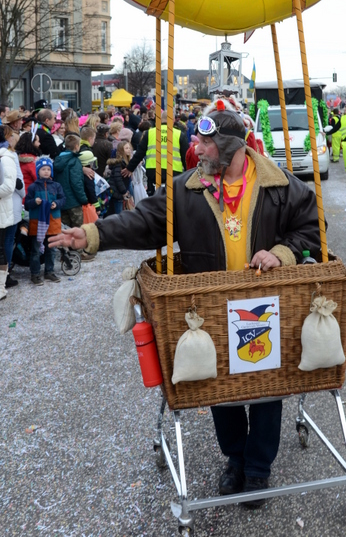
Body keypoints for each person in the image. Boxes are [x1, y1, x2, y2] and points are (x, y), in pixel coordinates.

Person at [50, 104, 321, 506]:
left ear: (230, 145)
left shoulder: (280, 185)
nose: (198, 147)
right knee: (215, 384)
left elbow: (313, 229)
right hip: (208, 304)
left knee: (267, 386)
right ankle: (234, 459)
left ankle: (259, 470)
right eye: (198, 139)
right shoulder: (185, 188)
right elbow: (143, 222)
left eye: (207, 141)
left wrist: (282, 252)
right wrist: (91, 235)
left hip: (265, 303)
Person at [24, 157, 66, 285]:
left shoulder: (57, 186)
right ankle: (35, 273)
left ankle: (49, 271)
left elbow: (63, 199)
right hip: (37, 222)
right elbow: (26, 204)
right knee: (36, 250)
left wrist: (56, 204)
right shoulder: (32, 187)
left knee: (51, 249)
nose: (46, 172)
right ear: (38, 171)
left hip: (53, 222)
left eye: (48, 169)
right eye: (43, 169)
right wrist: (34, 202)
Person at [123, 111, 184, 195]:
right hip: (174, 172)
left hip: (153, 171)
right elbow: (185, 157)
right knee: (172, 198)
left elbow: (139, 153)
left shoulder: (150, 133)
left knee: (154, 198)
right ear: (173, 120)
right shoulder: (179, 134)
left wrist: (130, 168)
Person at [53, 133, 88, 230]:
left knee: (65, 230)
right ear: (77, 146)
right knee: (78, 230)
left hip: (61, 201)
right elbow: (76, 183)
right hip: (74, 202)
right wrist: (83, 199)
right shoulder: (74, 161)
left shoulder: (58, 159)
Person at [0, 125, 19, 299]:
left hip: (4, 208)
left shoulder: (7, 157)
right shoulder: (6, 156)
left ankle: (2, 284)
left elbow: (9, 186)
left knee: (2, 247)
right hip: (4, 207)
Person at [106, 140, 133, 215]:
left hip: (120, 192)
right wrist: (124, 192)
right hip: (118, 192)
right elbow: (118, 179)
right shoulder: (119, 164)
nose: (129, 150)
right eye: (126, 148)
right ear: (121, 151)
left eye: (129, 148)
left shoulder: (125, 162)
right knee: (119, 213)